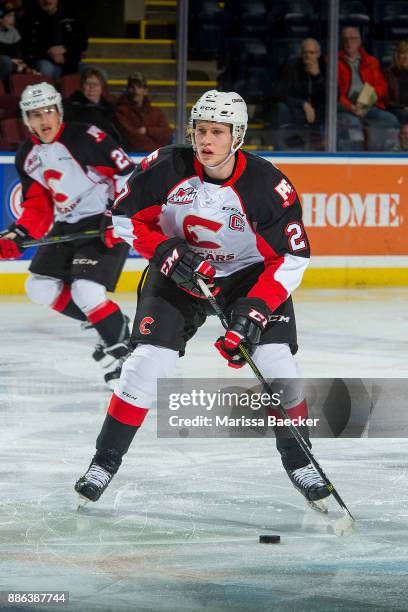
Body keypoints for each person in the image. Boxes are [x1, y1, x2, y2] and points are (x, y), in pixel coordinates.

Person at [74, 89, 331, 509]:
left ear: (238, 136)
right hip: (178, 275)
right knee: (143, 365)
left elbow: (291, 258)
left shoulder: (268, 186)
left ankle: (300, 462)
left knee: (278, 365)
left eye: (217, 132)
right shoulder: (165, 167)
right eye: (200, 130)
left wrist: (253, 311)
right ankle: (104, 462)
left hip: (248, 277)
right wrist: (161, 249)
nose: (206, 140)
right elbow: (123, 218)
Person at [0, 82, 135, 388]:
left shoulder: (86, 137)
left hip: (104, 219)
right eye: (35, 114)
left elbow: (127, 175)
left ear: (59, 111)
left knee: (87, 292)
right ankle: (110, 324)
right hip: (68, 223)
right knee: (38, 288)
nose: (43, 120)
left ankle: (126, 358)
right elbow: (38, 204)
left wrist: (118, 216)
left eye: (48, 111)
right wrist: (18, 233)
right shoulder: (27, 155)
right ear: (26, 120)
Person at [337, 26, 399, 151]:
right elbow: (335, 92)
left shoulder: (371, 61)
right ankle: (356, 163)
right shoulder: (333, 61)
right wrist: (351, 107)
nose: (350, 42)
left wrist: (366, 102)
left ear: (360, 41)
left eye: (353, 39)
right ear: (341, 41)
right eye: (346, 39)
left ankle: (379, 159)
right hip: (346, 107)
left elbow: (382, 86)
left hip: (369, 106)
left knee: (390, 120)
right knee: (353, 126)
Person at [275, 38, 326, 149]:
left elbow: (333, 97)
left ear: (319, 54)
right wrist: (303, 104)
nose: (308, 56)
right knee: (281, 108)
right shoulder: (292, 67)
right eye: (305, 52)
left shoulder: (325, 67)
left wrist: (317, 76)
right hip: (296, 110)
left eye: (312, 53)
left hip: (320, 113)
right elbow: (279, 93)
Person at [20, 0, 87, 80]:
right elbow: (26, 46)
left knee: (95, 72)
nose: (47, 1)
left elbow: (83, 43)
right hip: (42, 60)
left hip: (71, 60)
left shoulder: (73, 16)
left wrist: (65, 50)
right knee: (45, 67)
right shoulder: (29, 18)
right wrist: (49, 52)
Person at [63, 67, 126, 146]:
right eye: (88, 84)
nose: (92, 88)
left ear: (101, 87)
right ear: (82, 86)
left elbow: (117, 134)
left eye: (96, 84)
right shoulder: (71, 106)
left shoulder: (109, 109)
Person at [115, 71, 172, 152]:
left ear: (145, 91)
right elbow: (131, 139)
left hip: (156, 157)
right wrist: (157, 145)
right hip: (133, 158)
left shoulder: (156, 111)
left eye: (139, 87)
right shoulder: (121, 112)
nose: (135, 91)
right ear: (127, 90)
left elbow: (167, 134)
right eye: (132, 87)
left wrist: (147, 131)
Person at [0, 2, 29, 80]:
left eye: (13, 16)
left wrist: (21, 63)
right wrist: (11, 60)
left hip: (13, 64)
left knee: (24, 69)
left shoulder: (14, 32)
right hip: (4, 63)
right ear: (1, 19)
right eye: (9, 16)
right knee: (5, 61)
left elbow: (19, 54)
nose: (12, 19)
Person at [384, 40, 408, 125]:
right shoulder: (388, 74)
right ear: (397, 55)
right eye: (403, 53)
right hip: (396, 109)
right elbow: (386, 99)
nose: (406, 57)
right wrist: (403, 107)